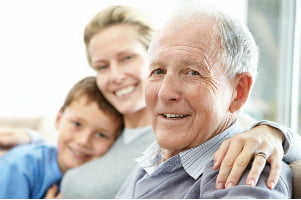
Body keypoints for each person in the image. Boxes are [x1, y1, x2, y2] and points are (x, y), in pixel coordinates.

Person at [0, 5, 300, 199]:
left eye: (192, 72)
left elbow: (249, 135)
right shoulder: (135, 142)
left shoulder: (233, 164)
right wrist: (31, 140)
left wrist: (274, 133)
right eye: (101, 66)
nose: (166, 91)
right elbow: (66, 149)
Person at [115, 6, 292, 198]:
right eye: (158, 71)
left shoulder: (246, 175)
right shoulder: (154, 159)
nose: (165, 93)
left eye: (192, 72)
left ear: (239, 91)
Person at [0, 76, 123, 198]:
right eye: (77, 124)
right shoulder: (18, 167)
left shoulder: (104, 182)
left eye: (101, 135)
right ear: (59, 119)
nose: (83, 141)